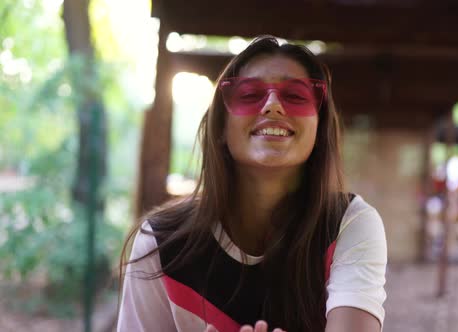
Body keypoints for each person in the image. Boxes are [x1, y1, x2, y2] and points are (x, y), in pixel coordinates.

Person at [117, 36, 387, 332]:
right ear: (221, 126)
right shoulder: (160, 242)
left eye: (295, 96)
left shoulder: (349, 224)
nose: (272, 105)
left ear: (319, 129)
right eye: (249, 94)